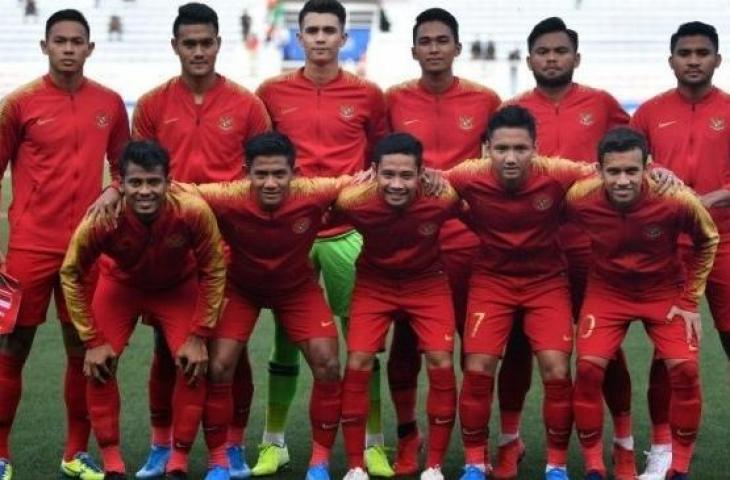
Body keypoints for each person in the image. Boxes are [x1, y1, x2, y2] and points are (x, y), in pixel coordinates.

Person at [129, 3, 270, 479]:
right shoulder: (151, 105)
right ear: (175, 47)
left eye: (205, 42)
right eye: (188, 43)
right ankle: (160, 444)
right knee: (165, 348)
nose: (198, 51)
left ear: (218, 44)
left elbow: (261, 177)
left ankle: (231, 445)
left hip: (229, 246)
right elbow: (134, 178)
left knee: (231, 350)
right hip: (167, 249)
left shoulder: (248, 105)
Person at [255, 0, 389, 475]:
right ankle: (274, 440)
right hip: (289, 233)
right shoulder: (270, 93)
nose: (319, 38)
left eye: (328, 30)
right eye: (311, 29)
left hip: (345, 233)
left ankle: (372, 441)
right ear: (300, 34)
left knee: (362, 342)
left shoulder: (368, 94)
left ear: (343, 36)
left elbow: (382, 161)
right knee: (286, 338)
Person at [497, 16, 634, 480]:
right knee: (516, 347)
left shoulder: (603, 105)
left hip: (591, 248)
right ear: (529, 58)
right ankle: (510, 443)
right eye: (543, 51)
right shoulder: (513, 109)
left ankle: (623, 444)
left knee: (605, 351)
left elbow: (634, 158)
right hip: (527, 252)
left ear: (576, 57)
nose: (552, 58)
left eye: (560, 51)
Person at [0, 9, 129, 480]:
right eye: (60, 41)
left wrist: (115, 189)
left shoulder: (110, 103)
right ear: (45, 46)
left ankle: (75, 452)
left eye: (78, 41)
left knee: (84, 349)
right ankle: (1, 453)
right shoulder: (19, 103)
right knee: (12, 346)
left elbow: (125, 168)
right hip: (28, 248)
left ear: (90, 48)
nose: (69, 48)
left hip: (86, 249)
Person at [177, 131, 350, 480]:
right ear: (246, 172)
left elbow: (361, 184)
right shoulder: (226, 196)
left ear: (295, 173)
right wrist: (113, 190)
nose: (270, 183)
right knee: (220, 366)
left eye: (279, 174)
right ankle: (219, 461)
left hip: (296, 288)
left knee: (329, 364)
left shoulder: (315, 191)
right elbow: (177, 191)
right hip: (241, 287)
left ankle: (318, 463)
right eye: (261, 174)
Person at [60, 140, 225, 480]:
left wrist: (199, 335)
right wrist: (91, 341)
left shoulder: (192, 210)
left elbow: (213, 269)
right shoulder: (103, 218)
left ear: (169, 181)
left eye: (154, 182)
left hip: (177, 288)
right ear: (121, 182)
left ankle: (178, 461)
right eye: (136, 183)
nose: (145, 191)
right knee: (99, 365)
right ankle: (112, 464)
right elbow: (71, 273)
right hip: (121, 287)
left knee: (193, 363)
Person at [383, 7, 500, 475]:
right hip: (410, 244)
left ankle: (478, 446)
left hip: (470, 243)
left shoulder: (486, 99)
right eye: (425, 41)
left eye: (441, 40)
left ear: (457, 47)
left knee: (477, 352)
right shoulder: (391, 99)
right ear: (414, 50)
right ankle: (409, 438)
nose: (433, 48)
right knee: (408, 350)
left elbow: (499, 161)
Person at [447, 105, 593, 480]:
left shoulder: (559, 172)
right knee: (478, 368)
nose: (510, 158)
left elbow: (614, 173)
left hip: (545, 281)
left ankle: (557, 465)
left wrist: (661, 176)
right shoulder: (465, 176)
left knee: (557, 370)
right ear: (486, 149)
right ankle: (475, 462)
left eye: (521, 149)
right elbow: (419, 181)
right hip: (491, 280)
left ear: (535, 148)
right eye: (501, 149)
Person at [569, 127, 718, 480]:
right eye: (614, 171)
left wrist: (689, 300)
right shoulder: (579, 197)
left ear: (647, 167)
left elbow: (708, 240)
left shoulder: (676, 198)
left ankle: (678, 466)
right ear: (599, 170)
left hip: (664, 292)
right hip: (607, 291)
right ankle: (601, 461)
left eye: (631, 171)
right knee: (589, 368)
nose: (622, 180)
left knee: (685, 370)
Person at [630, 21, 730, 480]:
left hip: (725, 242)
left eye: (702, 52)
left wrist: (700, 201)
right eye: (685, 52)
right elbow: (625, 171)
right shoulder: (649, 113)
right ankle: (663, 449)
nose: (693, 59)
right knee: (668, 354)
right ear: (671, 60)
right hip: (668, 249)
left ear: (717, 60)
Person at [337, 133, 459, 480]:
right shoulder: (352, 200)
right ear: (374, 170)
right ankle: (355, 466)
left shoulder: (443, 196)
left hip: (427, 282)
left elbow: (479, 210)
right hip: (375, 284)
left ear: (422, 173)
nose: (397, 183)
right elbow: (319, 211)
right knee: (359, 361)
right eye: (388, 174)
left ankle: (434, 464)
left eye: (407, 175)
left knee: (440, 360)